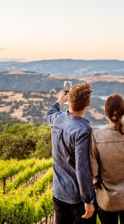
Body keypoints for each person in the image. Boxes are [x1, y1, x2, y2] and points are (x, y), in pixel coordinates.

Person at [45, 82, 96, 224]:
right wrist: (88, 200)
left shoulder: (57, 119)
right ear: (88, 103)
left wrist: (59, 101)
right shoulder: (84, 130)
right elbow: (82, 169)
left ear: (68, 100)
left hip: (58, 193)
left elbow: (48, 114)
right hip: (77, 198)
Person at [89, 94, 124, 224]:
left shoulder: (96, 136)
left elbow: (94, 172)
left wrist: (97, 186)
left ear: (105, 112)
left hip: (106, 201)